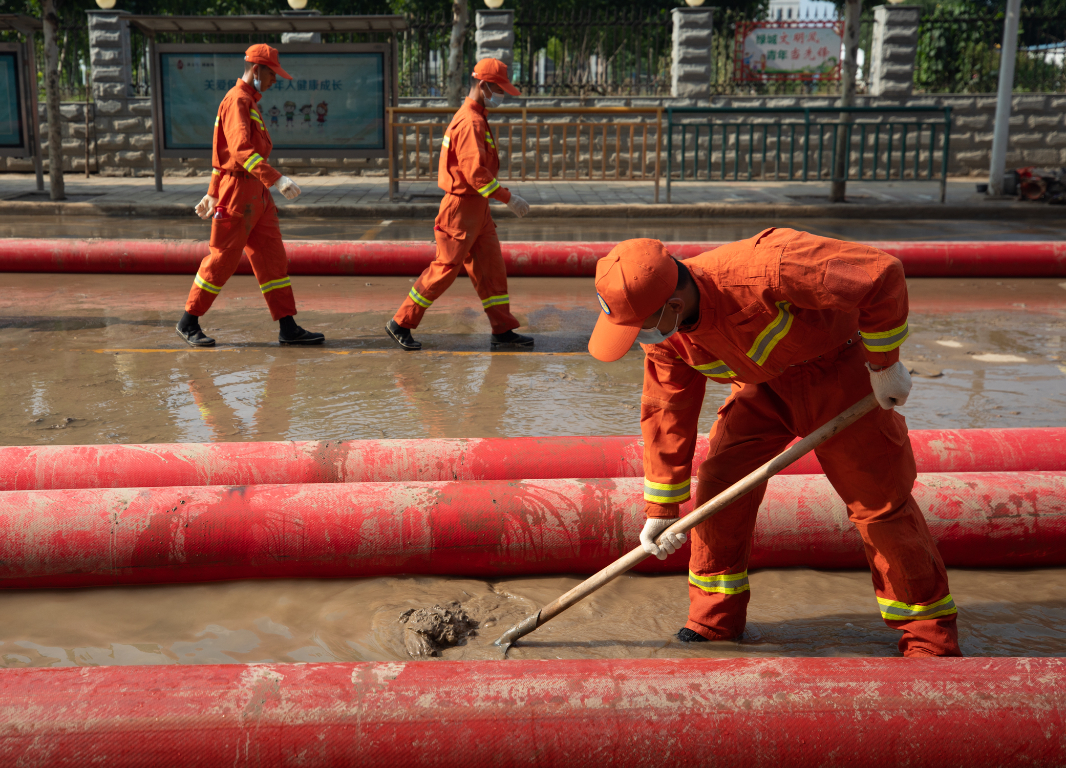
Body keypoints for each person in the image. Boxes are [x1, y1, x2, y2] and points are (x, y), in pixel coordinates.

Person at [588, 229, 960, 658]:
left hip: (840, 374)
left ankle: (928, 635)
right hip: (764, 388)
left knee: (879, 505)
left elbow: (880, 274)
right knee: (720, 486)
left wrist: (884, 364)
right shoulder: (667, 336)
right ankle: (714, 619)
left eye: (640, 325)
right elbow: (666, 412)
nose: (640, 337)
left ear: (673, 305)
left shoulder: (771, 265)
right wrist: (661, 511)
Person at [176, 44, 324, 349]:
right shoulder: (237, 101)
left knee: (273, 259)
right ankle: (188, 321)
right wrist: (277, 179)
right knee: (223, 259)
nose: (275, 81)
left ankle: (288, 326)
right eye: (272, 74)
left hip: (254, 193)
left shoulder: (248, 101)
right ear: (256, 70)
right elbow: (240, 153)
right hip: (239, 193)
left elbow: (224, 151)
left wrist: (209, 192)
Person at [385, 58, 533, 352]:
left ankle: (502, 330)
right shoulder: (470, 122)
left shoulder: (476, 116)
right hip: (461, 208)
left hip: (476, 210)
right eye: (499, 88)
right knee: (445, 269)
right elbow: (475, 174)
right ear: (484, 86)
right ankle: (400, 323)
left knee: (491, 269)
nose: (502, 95)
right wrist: (509, 198)